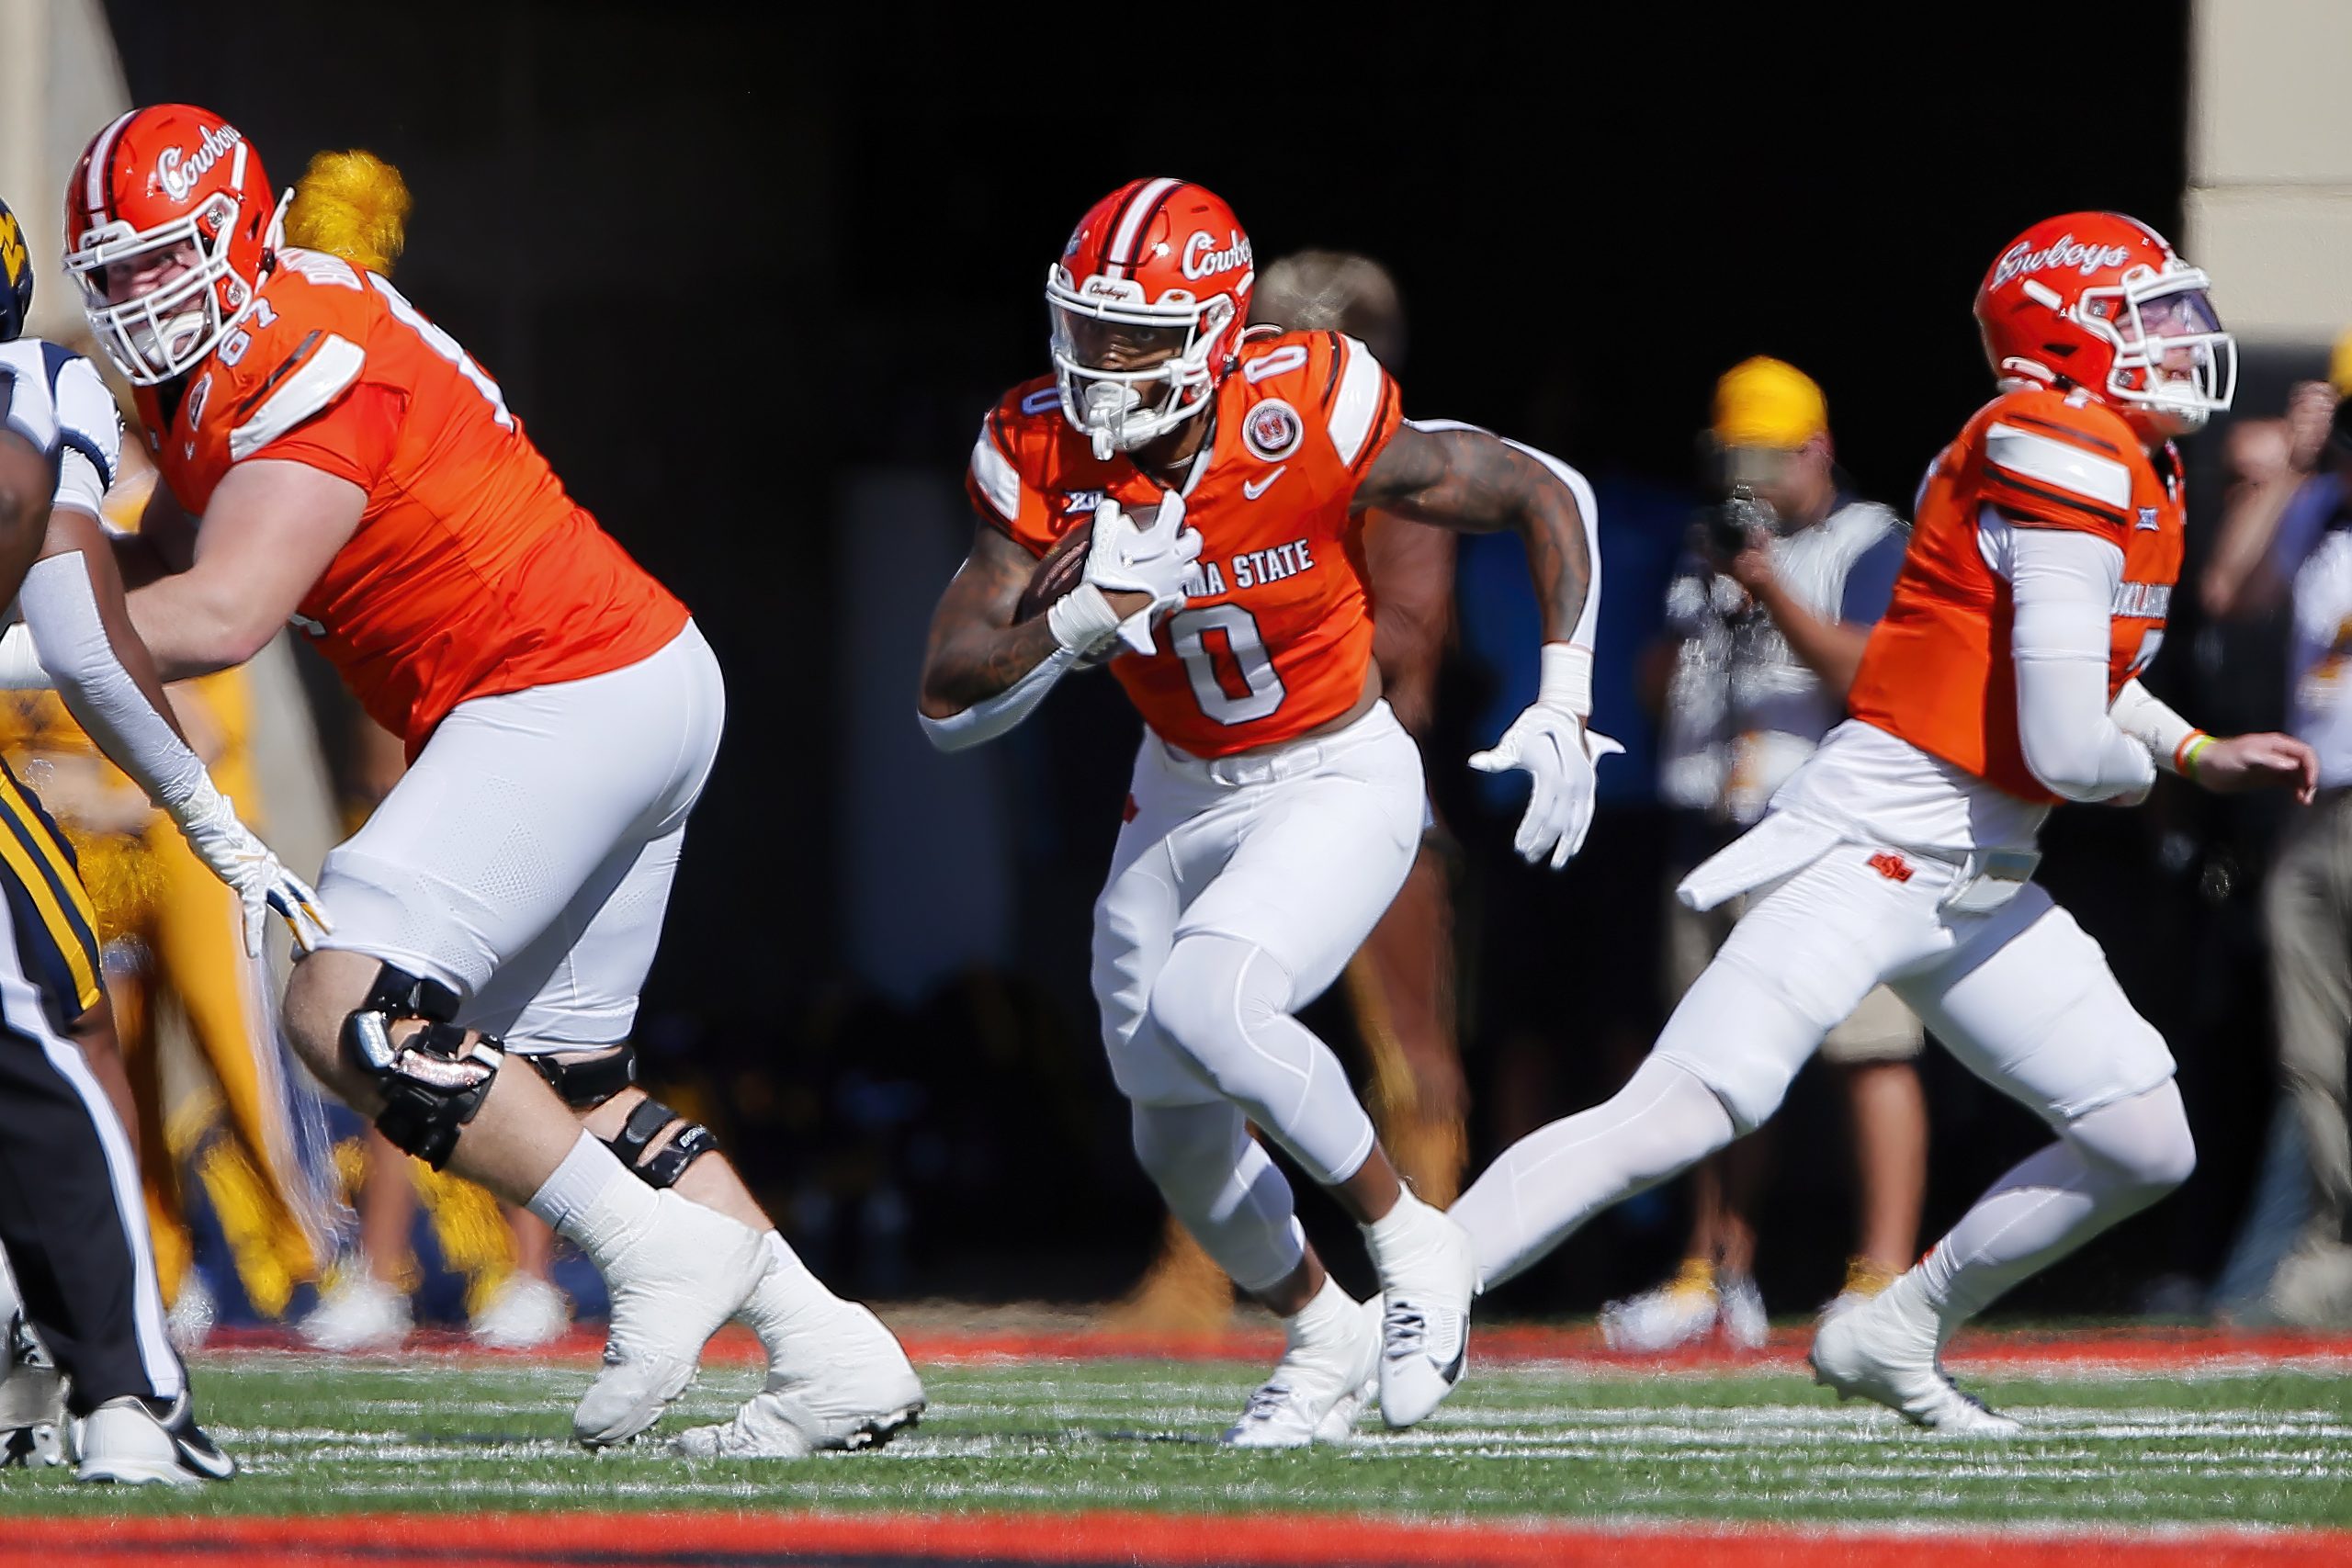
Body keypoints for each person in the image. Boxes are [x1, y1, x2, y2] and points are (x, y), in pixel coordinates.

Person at [32, 107, 921, 1457]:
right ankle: (829, 1345)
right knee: (566, 1084)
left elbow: (218, 612)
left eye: (167, 263)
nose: (147, 300)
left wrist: (15, 626)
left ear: (233, 238)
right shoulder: (223, 356)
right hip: (622, 671)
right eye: (120, 276)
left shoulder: (302, 354)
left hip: (561, 682)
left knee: (342, 995)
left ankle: (644, 1253)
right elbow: (137, 568)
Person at [1442, 212, 2316, 1434]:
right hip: (1874, 845)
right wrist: (2151, 774)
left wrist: (2194, 745)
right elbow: (2066, 744)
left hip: (1981, 870)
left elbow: (2081, 672)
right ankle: (1417, 1288)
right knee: (1692, 1104)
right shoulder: (2053, 443)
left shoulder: (2127, 460)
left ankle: (1895, 1323)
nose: (2182, 341)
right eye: (2147, 318)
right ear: (2067, 343)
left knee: (2138, 1134)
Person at [918, 178, 1605, 1443]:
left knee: (1211, 1001)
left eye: (1136, 337)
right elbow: (945, 701)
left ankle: (1414, 1244)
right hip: (1176, 786)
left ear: (1220, 335)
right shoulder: (1034, 448)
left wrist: (1565, 694)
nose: (1100, 363)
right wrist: (1073, 623)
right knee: (1168, 1118)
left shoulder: (1308, 407)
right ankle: (1322, 1326)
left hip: (1336, 765)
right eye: (1086, 327)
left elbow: (1538, 488)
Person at [0, 188, 288, 1483]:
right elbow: (77, 634)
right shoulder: (38, 381)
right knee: (51, 1037)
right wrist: (200, 802)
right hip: (113, 803)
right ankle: (128, 1393)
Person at [1610, 357, 1925, 1351]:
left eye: (1762, 458)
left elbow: (1871, 672)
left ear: (1815, 450)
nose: (1744, 478)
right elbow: (1656, 690)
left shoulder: (1869, 540)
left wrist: (1770, 588)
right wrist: (1713, 590)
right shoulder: (1705, 546)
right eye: (1729, 456)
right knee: (1707, 1062)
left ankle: (1883, 1278)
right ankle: (1712, 1269)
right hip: (1710, 830)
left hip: (1828, 835)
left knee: (1868, 1052)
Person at [2204, 388, 2352, 1325]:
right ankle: (2333, 1248)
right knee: (2311, 1049)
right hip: (2316, 800)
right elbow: (2227, 591)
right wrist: (2293, 470)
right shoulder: (2316, 507)